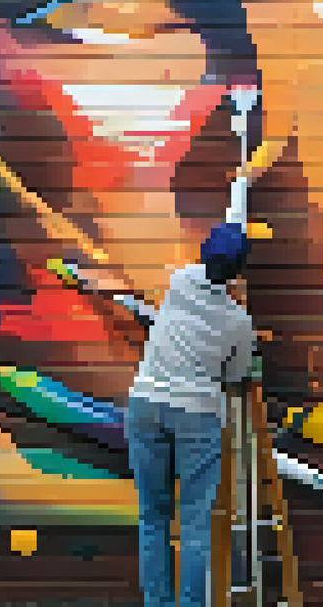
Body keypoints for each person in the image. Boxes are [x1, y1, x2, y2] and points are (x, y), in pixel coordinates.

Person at [125, 221, 257, 607]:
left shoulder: (179, 283)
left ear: (203, 254)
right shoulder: (238, 322)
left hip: (146, 403)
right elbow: (235, 375)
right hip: (197, 414)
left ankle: (157, 602)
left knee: (153, 516)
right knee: (196, 525)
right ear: (239, 271)